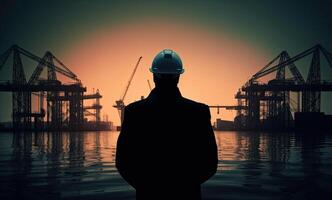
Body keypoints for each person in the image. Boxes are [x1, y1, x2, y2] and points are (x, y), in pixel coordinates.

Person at [116, 49, 218, 200]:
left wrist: (146, 186)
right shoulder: (199, 112)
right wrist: (186, 186)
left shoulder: (134, 112)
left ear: (154, 75)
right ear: (178, 76)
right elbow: (210, 163)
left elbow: (123, 161)